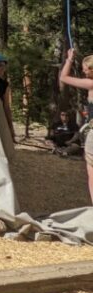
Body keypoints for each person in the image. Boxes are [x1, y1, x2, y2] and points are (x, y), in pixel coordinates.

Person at [59, 50, 93, 202]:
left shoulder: (91, 84)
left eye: (85, 68)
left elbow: (64, 78)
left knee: (92, 172)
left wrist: (69, 60)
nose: (83, 71)